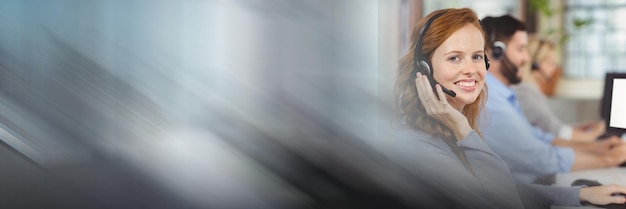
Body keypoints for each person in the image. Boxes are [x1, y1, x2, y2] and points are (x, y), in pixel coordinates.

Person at [390, 8, 626, 208]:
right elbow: (505, 200)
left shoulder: (445, 129)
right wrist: (464, 130)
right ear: (423, 69)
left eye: (476, 56)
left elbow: (498, 185)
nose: (471, 69)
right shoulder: (421, 145)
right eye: (454, 58)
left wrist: (580, 194)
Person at [479, 15, 626, 183]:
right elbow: (539, 159)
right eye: (520, 49)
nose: (527, 59)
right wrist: (609, 158)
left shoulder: (505, 95)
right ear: (495, 52)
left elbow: (541, 138)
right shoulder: (491, 100)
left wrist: (596, 148)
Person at [512, 36, 605, 142]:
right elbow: (557, 133)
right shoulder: (524, 93)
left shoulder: (528, 90)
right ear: (535, 65)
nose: (554, 68)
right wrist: (600, 131)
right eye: (550, 63)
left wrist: (580, 128)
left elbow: (550, 127)